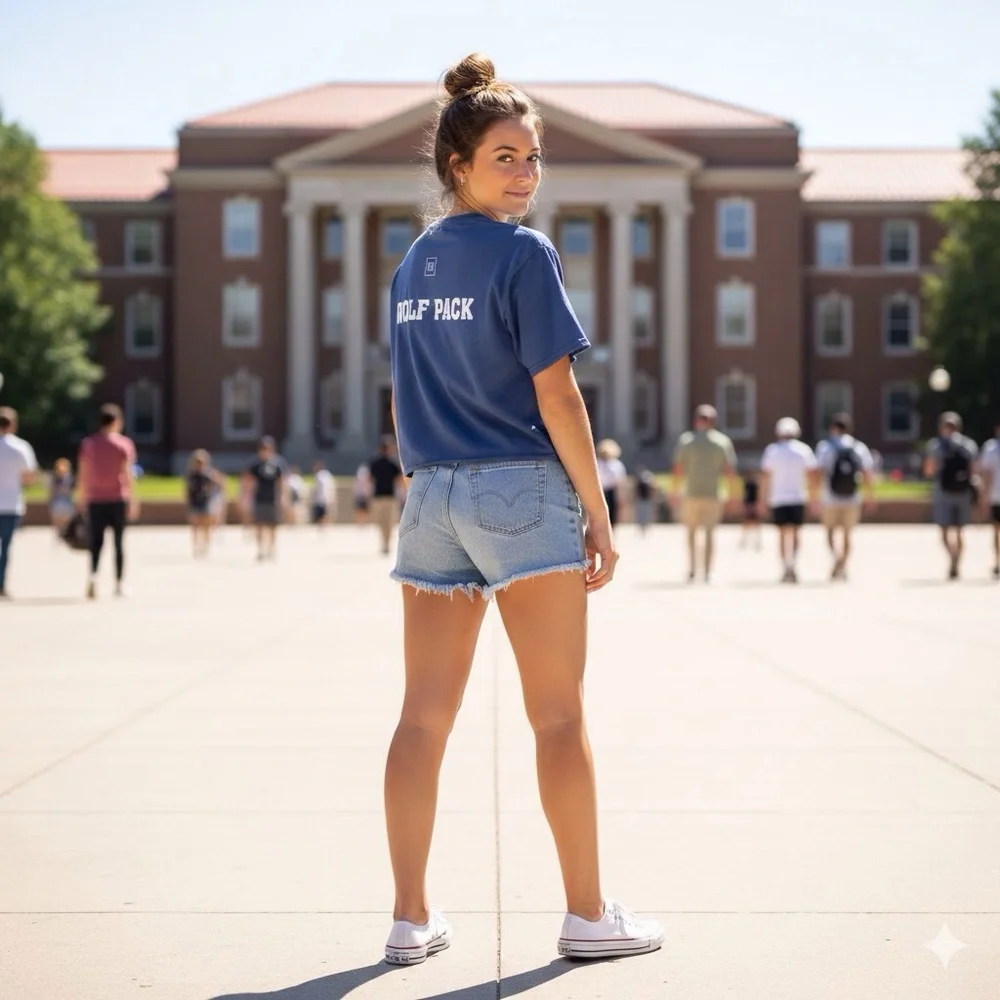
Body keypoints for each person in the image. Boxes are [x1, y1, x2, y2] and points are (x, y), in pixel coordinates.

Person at [381, 53, 662, 967]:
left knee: (422, 718)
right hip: (518, 487)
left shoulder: (414, 263)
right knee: (557, 718)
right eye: (506, 157)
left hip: (431, 493)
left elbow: (401, 396)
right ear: (457, 164)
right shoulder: (523, 253)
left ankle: (410, 918)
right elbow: (559, 396)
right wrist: (600, 510)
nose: (525, 174)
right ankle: (588, 915)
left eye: (534, 157)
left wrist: (424, 477)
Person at [671, 404, 738, 583]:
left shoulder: (686, 440)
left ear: (696, 420)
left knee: (691, 533)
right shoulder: (722, 442)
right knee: (709, 533)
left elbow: (678, 468)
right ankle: (707, 571)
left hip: (691, 493)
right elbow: (729, 470)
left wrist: (674, 491)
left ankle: (692, 569)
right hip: (713, 494)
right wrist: (732, 494)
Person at [77, 403, 137, 599]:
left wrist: (80, 497)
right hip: (117, 497)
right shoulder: (124, 444)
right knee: (119, 542)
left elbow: (83, 473)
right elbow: (128, 474)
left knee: (96, 541)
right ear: (117, 422)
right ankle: (119, 583)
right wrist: (133, 499)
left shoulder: (89, 444)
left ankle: (93, 575)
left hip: (95, 498)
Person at [814, 412, 876, 581]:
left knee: (830, 531)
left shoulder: (825, 447)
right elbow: (867, 473)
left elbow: (817, 473)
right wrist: (870, 496)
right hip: (852, 496)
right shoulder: (858, 447)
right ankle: (843, 564)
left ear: (832, 428)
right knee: (847, 533)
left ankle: (836, 558)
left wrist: (814, 497)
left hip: (829, 496)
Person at [759, 417, 818, 584]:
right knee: (796, 532)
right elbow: (812, 476)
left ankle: (785, 565)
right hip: (798, 497)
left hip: (778, 498)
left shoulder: (772, 451)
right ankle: (793, 563)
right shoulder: (803, 450)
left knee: (782, 533)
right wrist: (814, 498)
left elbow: (765, 477)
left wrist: (762, 500)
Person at [923, 411, 979, 580]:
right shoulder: (968, 445)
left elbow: (928, 470)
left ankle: (951, 556)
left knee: (944, 529)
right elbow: (974, 471)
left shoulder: (935, 445)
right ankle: (958, 560)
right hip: (962, 491)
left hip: (942, 490)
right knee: (960, 530)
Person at [0, 408, 38, 599]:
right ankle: (1, 584)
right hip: (10, 503)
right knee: (5, 547)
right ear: (13, 424)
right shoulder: (21, 447)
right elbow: (29, 476)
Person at [243, 436, 286, 561]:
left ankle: (271, 548)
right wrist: (246, 497)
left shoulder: (277, 463)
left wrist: (282, 497)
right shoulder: (255, 464)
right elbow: (248, 481)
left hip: (272, 498)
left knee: (272, 525)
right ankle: (260, 549)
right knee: (259, 525)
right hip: (259, 498)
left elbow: (281, 481)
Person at [185, 450, 224, 558]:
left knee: (206, 525)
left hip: (206, 501)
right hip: (195, 502)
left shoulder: (208, 474)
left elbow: (219, 485)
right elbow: (187, 490)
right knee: (195, 525)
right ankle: (196, 545)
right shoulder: (191, 475)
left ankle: (205, 544)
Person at [368, 440, 403, 555]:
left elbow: (370, 479)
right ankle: (386, 543)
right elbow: (399, 479)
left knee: (381, 521)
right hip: (389, 496)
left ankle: (384, 543)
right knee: (389, 522)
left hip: (378, 496)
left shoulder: (375, 463)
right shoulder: (392, 464)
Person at [980, 418, 1000, 580]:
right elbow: (986, 474)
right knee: (996, 530)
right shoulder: (991, 448)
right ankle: (997, 561)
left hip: (995, 494)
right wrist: (984, 496)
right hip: (996, 496)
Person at [596, 439, 626, 526]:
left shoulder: (616, 464)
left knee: (612, 512)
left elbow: (619, 481)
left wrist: (620, 496)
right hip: (600, 489)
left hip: (611, 490)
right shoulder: (597, 463)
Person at [48, 457, 76, 540]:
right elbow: (51, 491)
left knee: (66, 514)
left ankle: (64, 531)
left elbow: (71, 491)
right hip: (57, 500)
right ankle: (59, 531)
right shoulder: (54, 478)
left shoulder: (69, 478)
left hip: (66, 500)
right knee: (57, 513)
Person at [310, 459, 336, 528]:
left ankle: (324, 526)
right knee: (321, 513)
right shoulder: (325, 475)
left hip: (323, 498)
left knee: (323, 513)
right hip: (321, 498)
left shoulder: (321, 475)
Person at [739, 471, 761, 550]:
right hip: (748, 504)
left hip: (753, 503)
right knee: (746, 522)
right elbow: (744, 495)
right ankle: (744, 539)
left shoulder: (755, 484)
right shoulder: (746, 484)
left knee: (755, 522)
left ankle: (757, 540)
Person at [633, 465, 657, 536]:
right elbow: (636, 490)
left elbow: (653, 489)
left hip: (646, 499)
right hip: (641, 499)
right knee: (640, 514)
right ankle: (641, 527)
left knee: (646, 514)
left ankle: (646, 527)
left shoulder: (648, 479)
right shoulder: (639, 480)